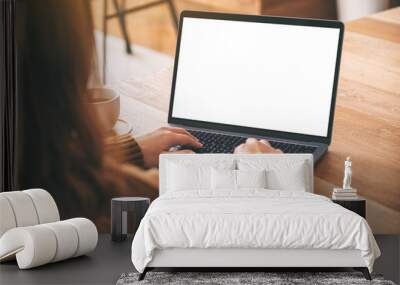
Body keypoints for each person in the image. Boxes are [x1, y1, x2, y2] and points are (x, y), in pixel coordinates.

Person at [15, 0, 281, 231]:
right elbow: (198, 227)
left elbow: (61, 169)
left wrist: (132, 150)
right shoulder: (69, 205)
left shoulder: (28, 169)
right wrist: (246, 183)